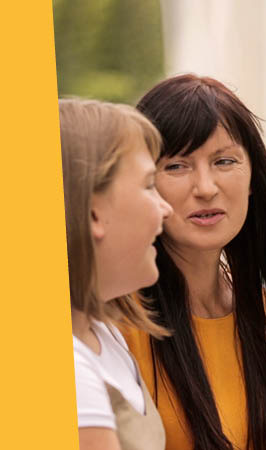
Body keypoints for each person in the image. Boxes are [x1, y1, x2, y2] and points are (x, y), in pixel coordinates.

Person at [123, 75, 266, 450]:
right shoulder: (118, 322)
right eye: (177, 166)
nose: (206, 187)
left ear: (252, 178)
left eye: (224, 161)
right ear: (144, 182)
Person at [62, 98, 173, 450]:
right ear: (93, 212)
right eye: (149, 185)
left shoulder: (105, 333)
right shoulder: (70, 370)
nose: (166, 208)